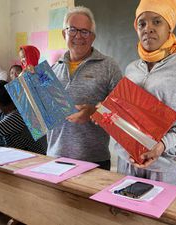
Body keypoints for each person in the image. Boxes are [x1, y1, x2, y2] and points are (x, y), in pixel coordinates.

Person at [115, 0, 176, 188]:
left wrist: (163, 144)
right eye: (142, 23)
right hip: (126, 162)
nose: (148, 28)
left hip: (166, 167)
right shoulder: (132, 68)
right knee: (123, 216)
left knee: (161, 217)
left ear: (170, 26)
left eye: (157, 22)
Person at [47, 6, 122, 170]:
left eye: (85, 31)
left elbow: (122, 112)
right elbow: (43, 116)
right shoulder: (52, 70)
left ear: (93, 37)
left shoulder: (109, 66)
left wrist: (94, 112)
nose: (78, 36)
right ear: (64, 33)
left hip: (94, 160)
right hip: (54, 157)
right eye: (72, 30)